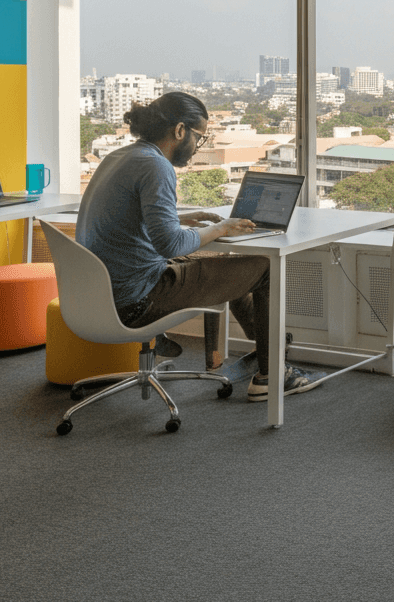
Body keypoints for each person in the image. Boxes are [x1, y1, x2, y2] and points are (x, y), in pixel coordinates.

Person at [76, 91, 324, 401]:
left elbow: (129, 217)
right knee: (265, 267)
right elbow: (170, 244)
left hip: (99, 295)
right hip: (139, 299)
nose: (198, 147)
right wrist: (221, 227)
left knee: (220, 258)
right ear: (180, 131)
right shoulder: (156, 166)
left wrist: (183, 218)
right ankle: (271, 375)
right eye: (200, 138)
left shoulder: (121, 156)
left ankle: (261, 349)